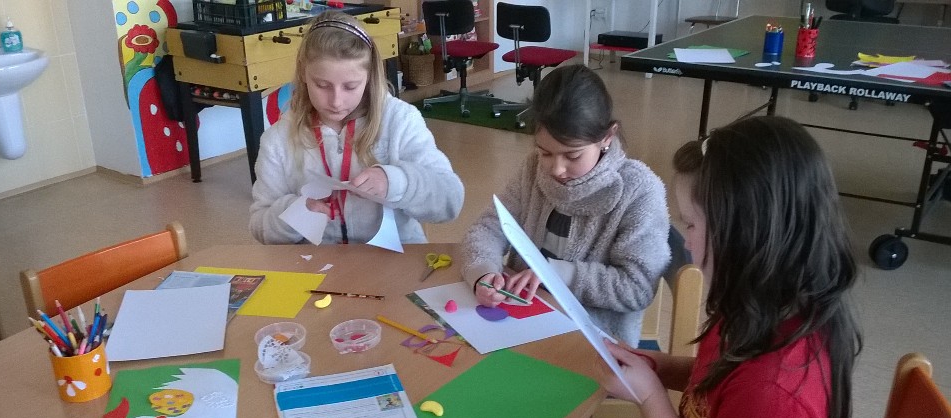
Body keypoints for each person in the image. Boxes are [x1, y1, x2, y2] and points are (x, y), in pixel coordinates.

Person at [524, 115, 862, 418]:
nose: (686, 241)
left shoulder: (777, 388)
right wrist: (658, 366)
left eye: (691, 224)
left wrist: (649, 396)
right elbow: (722, 381)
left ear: (746, 234)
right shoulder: (764, 303)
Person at [459, 64, 670, 346]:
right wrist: (483, 272)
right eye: (545, 152)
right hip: (521, 322)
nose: (556, 169)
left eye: (573, 156)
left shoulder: (639, 190)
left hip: (594, 342)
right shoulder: (533, 169)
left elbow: (637, 288)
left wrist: (557, 274)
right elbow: (488, 227)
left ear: (607, 138)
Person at [249, 12, 464, 245]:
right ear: (303, 74)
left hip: (395, 258)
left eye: (351, 86)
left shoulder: (399, 120)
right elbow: (259, 225)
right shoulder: (278, 138)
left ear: (369, 77)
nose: (336, 101)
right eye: (322, 85)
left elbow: (450, 200)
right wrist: (294, 214)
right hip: (317, 262)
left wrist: (396, 182)